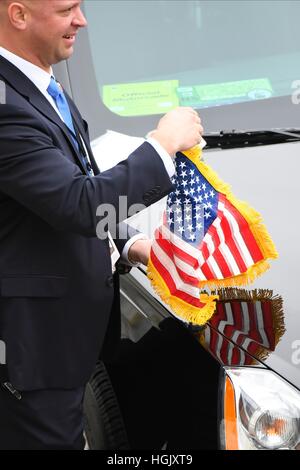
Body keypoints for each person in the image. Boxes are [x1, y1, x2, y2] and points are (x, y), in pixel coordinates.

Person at [0, 0, 203, 450]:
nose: (82, 20)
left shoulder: (38, 83)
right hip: (31, 354)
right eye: (67, 9)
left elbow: (57, 198)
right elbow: (79, 203)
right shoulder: (6, 105)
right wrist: (163, 145)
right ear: (18, 15)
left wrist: (133, 246)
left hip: (61, 345)